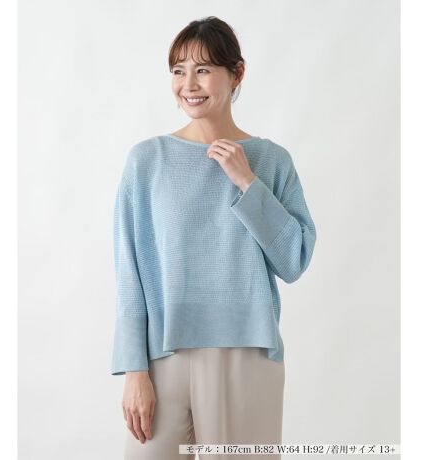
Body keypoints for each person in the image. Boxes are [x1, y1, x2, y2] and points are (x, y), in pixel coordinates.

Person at [111, 16, 317, 460]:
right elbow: (129, 271)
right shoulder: (146, 161)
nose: (189, 84)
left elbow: (294, 260)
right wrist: (133, 369)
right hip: (162, 354)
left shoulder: (271, 160)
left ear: (236, 73)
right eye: (178, 70)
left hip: (246, 352)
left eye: (203, 69)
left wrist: (247, 183)